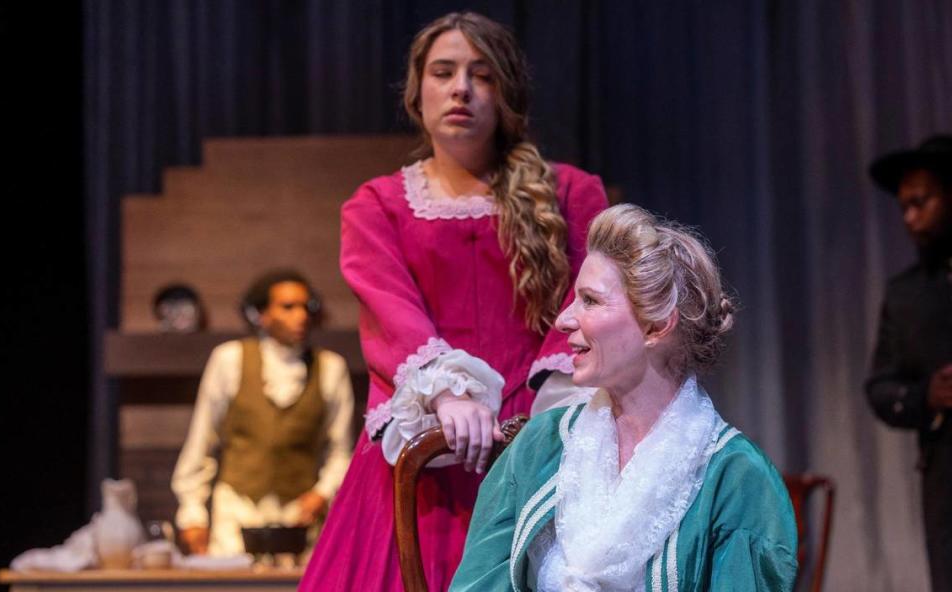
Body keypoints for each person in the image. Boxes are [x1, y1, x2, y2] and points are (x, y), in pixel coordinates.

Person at [298, 12, 608, 591]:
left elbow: (585, 302)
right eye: (443, 72)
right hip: (421, 458)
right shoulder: (378, 206)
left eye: (481, 74)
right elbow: (392, 313)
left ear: (507, 93)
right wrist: (448, 390)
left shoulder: (570, 192)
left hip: (537, 448)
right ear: (417, 94)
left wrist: (548, 419)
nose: (461, 88)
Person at [451, 204, 798, 592]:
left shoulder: (735, 478)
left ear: (655, 325)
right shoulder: (541, 446)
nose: (564, 320)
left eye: (591, 301)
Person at [171, 269, 354, 556]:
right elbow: (201, 442)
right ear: (261, 314)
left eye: (306, 307)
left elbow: (341, 451)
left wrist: (323, 492)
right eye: (287, 307)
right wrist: (192, 514)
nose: (301, 316)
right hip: (238, 511)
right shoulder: (229, 360)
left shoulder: (331, 368)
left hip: (299, 516)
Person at [865, 135, 952, 591]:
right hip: (945, 476)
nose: (911, 218)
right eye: (904, 207)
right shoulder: (906, 294)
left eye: (922, 202)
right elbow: (880, 386)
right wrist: (926, 396)